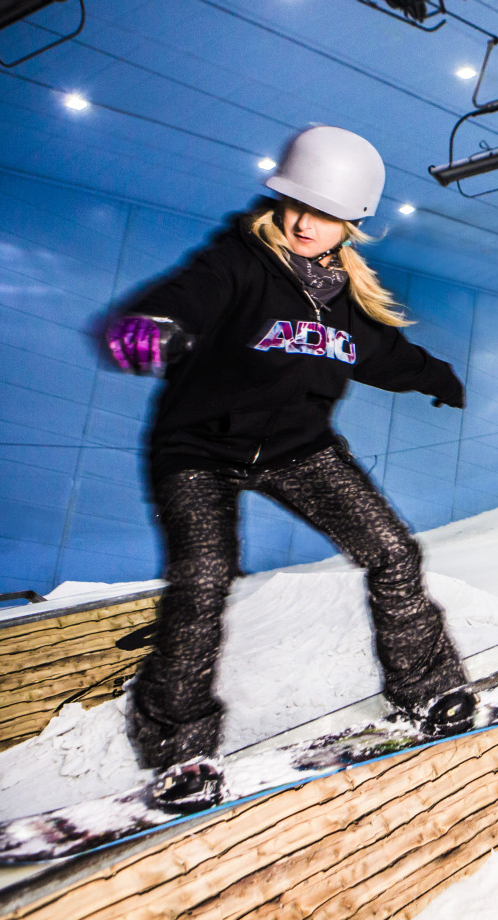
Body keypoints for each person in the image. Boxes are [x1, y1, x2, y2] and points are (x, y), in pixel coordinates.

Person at [105, 126, 474, 792]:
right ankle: (178, 745)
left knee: (393, 552)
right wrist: (157, 322)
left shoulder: (345, 303)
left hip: (298, 450)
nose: (304, 223)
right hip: (198, 450)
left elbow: (387, 356)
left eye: (324, 214)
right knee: (204, 579)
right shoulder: (238, 262)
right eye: (296, 205)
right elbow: (190, 293)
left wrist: (442, 379)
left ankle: (427, 690)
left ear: (351, 223)